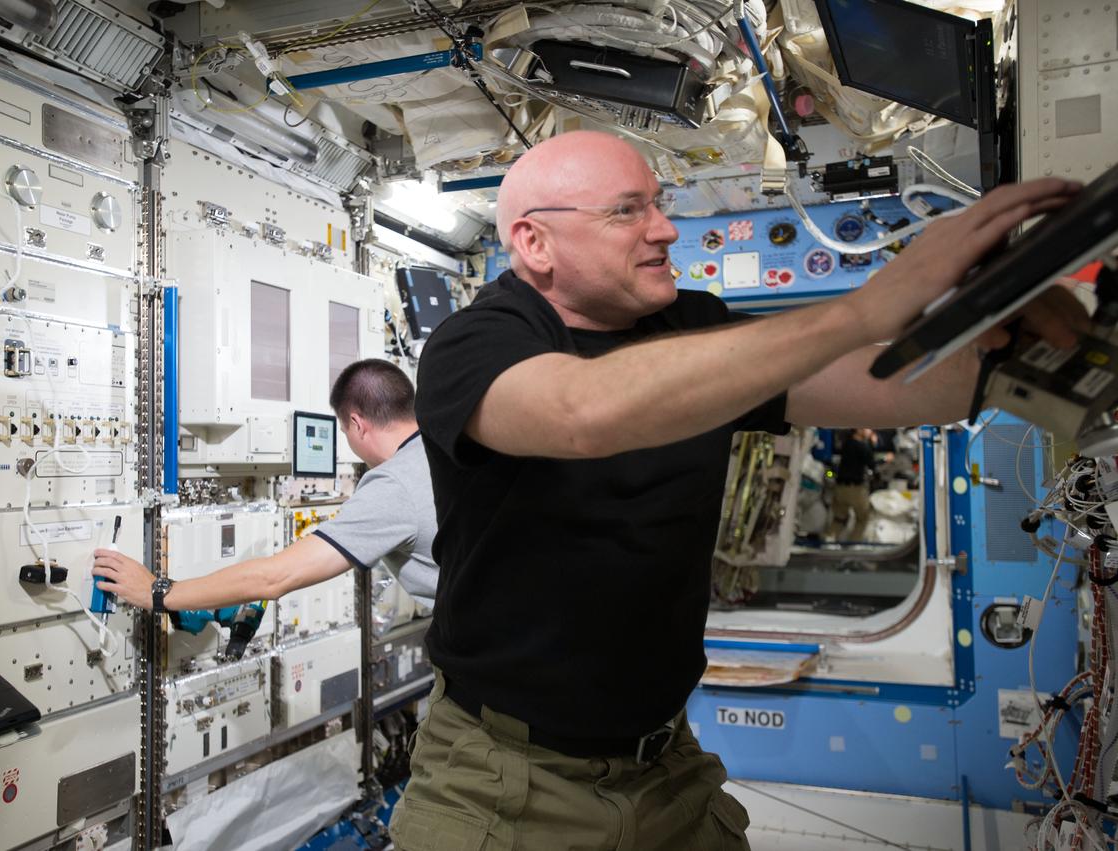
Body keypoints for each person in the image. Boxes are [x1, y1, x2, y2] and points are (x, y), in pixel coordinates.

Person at [390, 130, 1087, 851]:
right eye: (627, 212)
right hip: (503, 775)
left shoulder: (692, 324)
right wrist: (862, 308)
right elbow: (581, 412)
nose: (664, 229)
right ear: (535, 242)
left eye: (657, 205)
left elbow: (882, 381)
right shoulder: (473, 344)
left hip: (664, 764)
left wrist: (1014, 351)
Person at [91, 359, 439, 613]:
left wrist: (157, 591)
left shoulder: (393, 484)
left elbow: (274, 579)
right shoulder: (443, 452)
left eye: (345, 433)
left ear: (356, 424)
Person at [825, 427, 878, 541]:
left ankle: (829, 540)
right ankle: (853, 544)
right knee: (862, 519)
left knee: (839, 518)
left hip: (840, 488)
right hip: (855, 490)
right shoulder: (862, 446)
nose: (870, 431)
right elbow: (872, 464)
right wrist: (872, 444)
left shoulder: (847, 443)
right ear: (858, 430)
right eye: (867, 428)